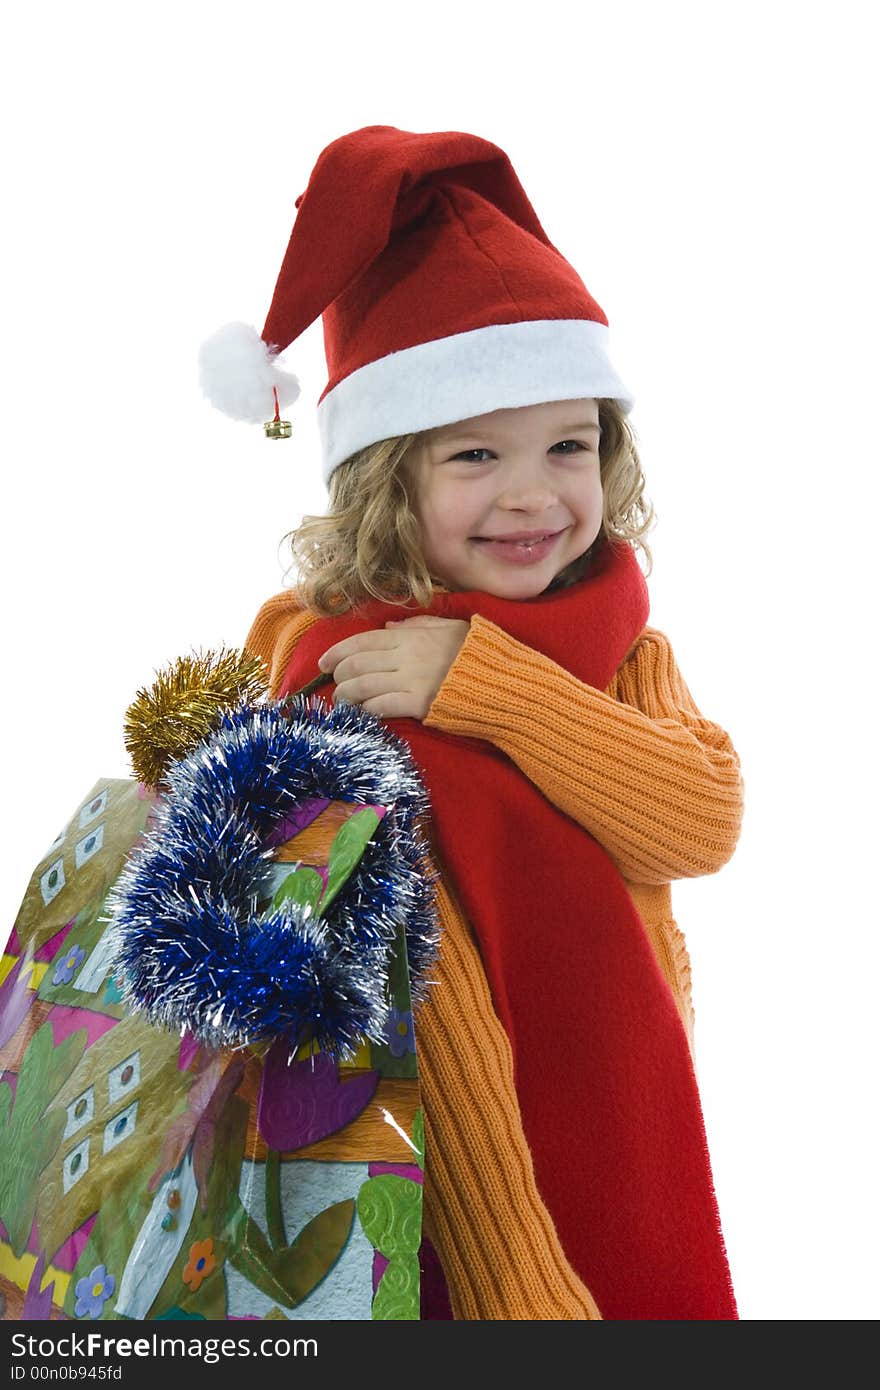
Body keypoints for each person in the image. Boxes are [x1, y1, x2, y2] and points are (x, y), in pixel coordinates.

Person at [199, 125, 744, 1320]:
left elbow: (694, 822)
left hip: (629, 1145)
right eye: (474, 454)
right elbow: (423, 1004)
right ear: (386, 473)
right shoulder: (342, 681)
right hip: (460, 1226)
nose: (533, 492)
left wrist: (490, 683)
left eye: (570, 443)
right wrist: (521, 1289)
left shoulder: (617, 644)